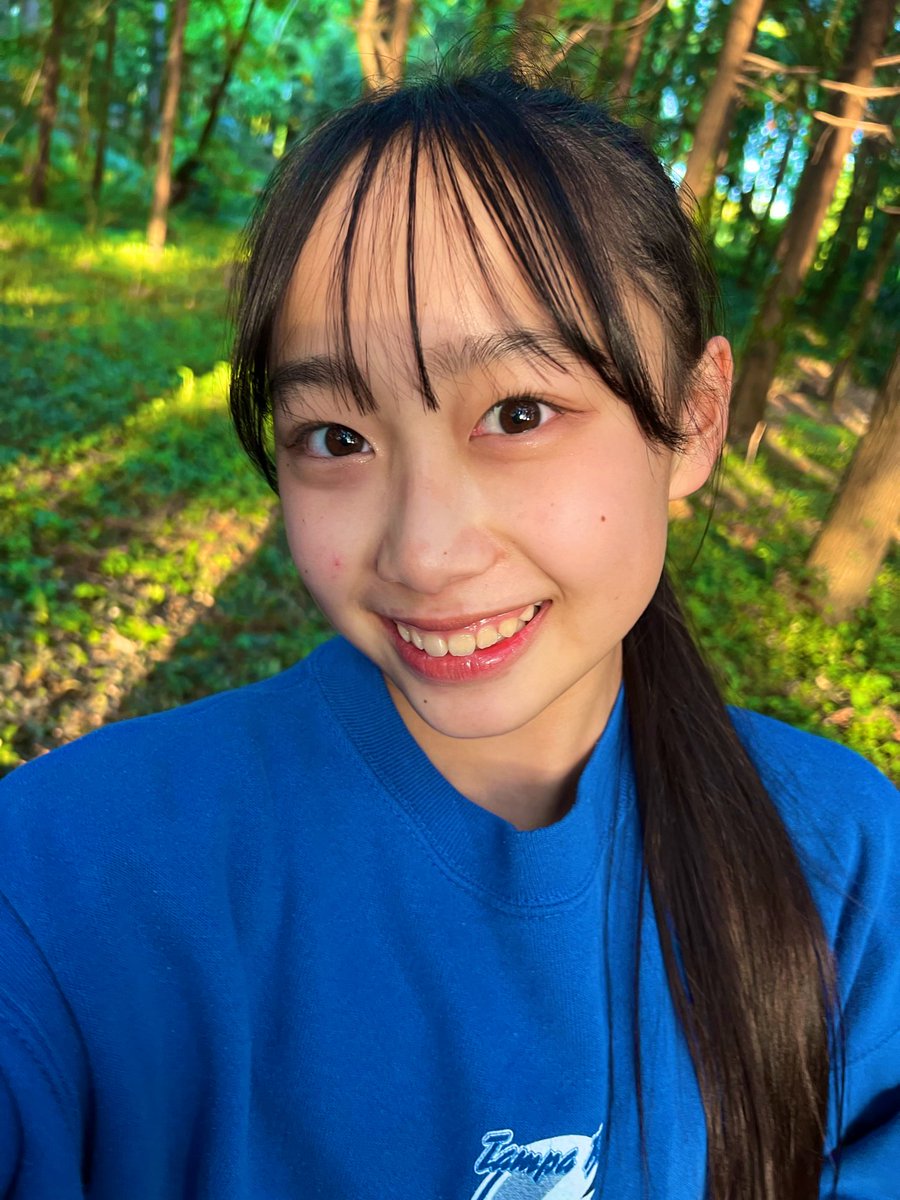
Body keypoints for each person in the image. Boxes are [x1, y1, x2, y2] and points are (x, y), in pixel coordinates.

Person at [0, 65, 897, 1200]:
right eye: (335, 437)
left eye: (518, 414)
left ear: (694, 418)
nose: (422, 553)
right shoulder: (69, 882)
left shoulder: (844, 870)